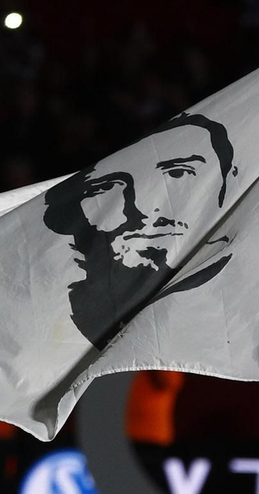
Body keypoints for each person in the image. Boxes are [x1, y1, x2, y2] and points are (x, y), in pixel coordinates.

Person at [40, 112, 240, 347]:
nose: (141, 210)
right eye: (107, 187)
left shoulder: (240, 297)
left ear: (228, 182)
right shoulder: (57, 319)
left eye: (176, 173)